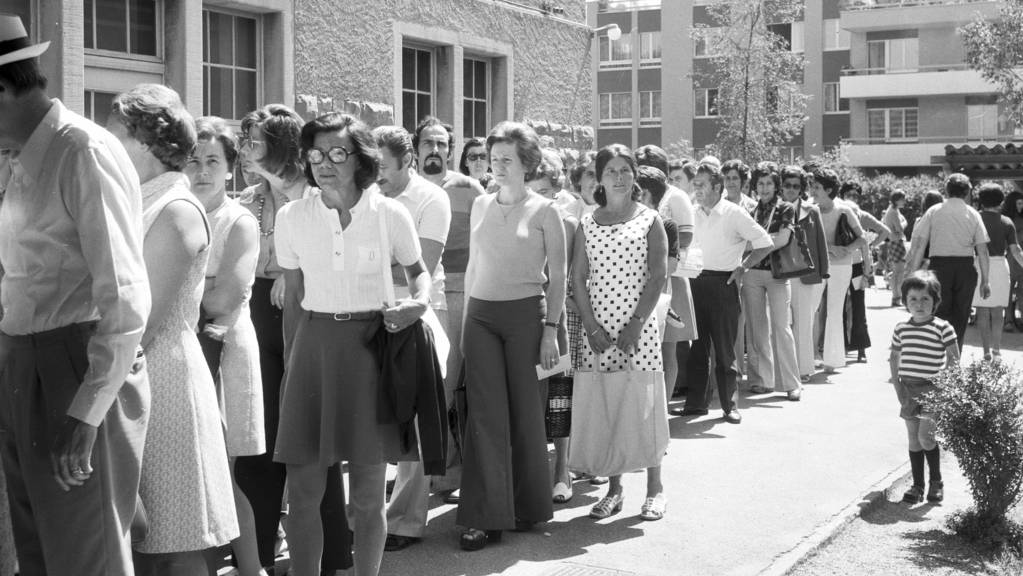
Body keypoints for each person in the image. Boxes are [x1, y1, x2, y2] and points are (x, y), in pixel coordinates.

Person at [0, 18, 150, 574]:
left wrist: (87, 412)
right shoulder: (21, 159)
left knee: (88, 556)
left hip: (77, 364)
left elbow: (126, 296)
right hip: (26, 362)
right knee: (40, 552)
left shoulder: (81, 151)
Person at [273, 112, 432, 576]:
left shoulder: (389, 213)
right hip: (313, 352)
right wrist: (290, 372)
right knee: (303, 495)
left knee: (367, 495)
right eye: (316, 154)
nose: (324, 163)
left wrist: (419, 304)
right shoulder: (292, 216)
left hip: (371, 353)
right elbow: (294, 301)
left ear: (360, 158)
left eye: (337, 153)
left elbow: (418, 272)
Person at [107, 84, 239, 573]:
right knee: (144, 541)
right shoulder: (140, 200)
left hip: (164, 384)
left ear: (143, 141)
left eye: (114, 134)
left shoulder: (176, 208)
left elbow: (141, 320)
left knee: (175, 537)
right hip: (136, 378)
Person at [235, 105, 350, 573]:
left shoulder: (321, 196)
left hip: (308, 317)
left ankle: (332, 557)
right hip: (258, 315)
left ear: (281, 146)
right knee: (258, 437)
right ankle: (257, 554)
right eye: (242, 142)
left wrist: (292, 270)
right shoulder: (250, 197)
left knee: (310, 442)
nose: (244, 151)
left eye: (254, 142)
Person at [457, 121, 566, 551]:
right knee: (484, 416)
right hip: (481, 316)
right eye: (493, 158)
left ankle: (524, 507)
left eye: (506, 159)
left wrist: (550, 331)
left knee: (525, 413)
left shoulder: (546, 211)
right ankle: (484, 516)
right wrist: (467, 321)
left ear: (527, 164)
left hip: (527, 318)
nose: (496, 166)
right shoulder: (482, 205)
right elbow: (472, 267)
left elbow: (557, 277)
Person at [183, 116, 267, 576]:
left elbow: (223, 299)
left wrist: (175, 290)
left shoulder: (237, 220)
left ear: (231, 169)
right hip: (183, 348)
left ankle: (252, 568)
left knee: (221, 475)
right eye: (193, 158)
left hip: (222, 352)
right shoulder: (174, 209)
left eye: (212, 160)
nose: (201, 169)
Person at [572, 146, 669, 520]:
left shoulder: (650, 220)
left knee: (644, 405)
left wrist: (636, 324)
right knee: (608, 405)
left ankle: (655, 489)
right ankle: (614, 489)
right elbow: (578, 278)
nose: (618, 176)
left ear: (634, 176)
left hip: (638, 330)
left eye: (625, 170)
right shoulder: (587, 223)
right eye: (610, 170)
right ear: (599, 178)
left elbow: (658, 276)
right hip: (598, 331)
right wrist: (592, 326)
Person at [373, 125, 452, 552]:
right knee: (375, 419)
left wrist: (361, 264)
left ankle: (405, 521)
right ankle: (365, 518)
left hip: (418, 314)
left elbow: (419, 266)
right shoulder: (368, 195)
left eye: (383, 166)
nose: (376, 173)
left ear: (407, 161)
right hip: (370, 312)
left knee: (414, 422)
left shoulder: (430, 200)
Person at [415, 120, 486, 498]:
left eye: (442, 144)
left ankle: (448, 471)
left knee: (448, 382)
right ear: (416, 148)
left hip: (459, 290)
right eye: (428, 142)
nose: (435, 150)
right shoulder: (405, 189)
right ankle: (431, 468)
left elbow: (486, 240)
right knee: (423, 388)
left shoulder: (468, 188)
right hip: (416, 293)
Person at [678, 162, 773, 423]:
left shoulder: (734, 213)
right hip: (694, 281)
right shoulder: (692, 212)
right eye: (694, 184)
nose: (695, 189)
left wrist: (743, 268)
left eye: (701, 185)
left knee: (724, 350)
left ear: (717, 187)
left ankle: (730, 405)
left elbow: (765, 243)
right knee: (696, 347)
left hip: (724, 284)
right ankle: (696, 404)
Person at [526, 148, 580, 504]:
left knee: (559, 395)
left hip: (555, 320)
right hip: (521, 315)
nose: (544, 199)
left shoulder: (569, 223)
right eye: (537, 190)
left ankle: (562, 470)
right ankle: (529, 474)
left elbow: (570, 278)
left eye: (549, 192)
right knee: (528, 400)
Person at [889, 271, 958, 504]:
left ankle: (936, 482)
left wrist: (945, 386)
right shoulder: (901, 328)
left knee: (926, 438)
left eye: (925, 299)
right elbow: (894, 358)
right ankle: (917, 486)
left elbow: (953, 358)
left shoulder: (943, 327)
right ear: (905, 301)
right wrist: (898, 387)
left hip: (932, 389)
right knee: (913, 438)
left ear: (935, 301)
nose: (919, 304)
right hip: (908, 389)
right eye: (913, 299)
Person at [635, 146, 696, 399]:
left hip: (669, 282)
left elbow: (686, 235)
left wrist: (661, 246)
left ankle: (663, 407)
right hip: (637, 287)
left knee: (667, 350)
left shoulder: (676, 196)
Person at [907, 173, 991, 350]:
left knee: (938, 312)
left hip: (939, 267)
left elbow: (920, 244)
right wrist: (985, 280)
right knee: (961, 315)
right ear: (967, 191)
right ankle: (954, 361)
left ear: (946, 190)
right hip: (965, 268)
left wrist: (913, 273)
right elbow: (982, 250)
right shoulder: (973, 214)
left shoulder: (934, 211)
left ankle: (936, 355)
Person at [741, 163, 802, 401]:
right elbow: (745, 242)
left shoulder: (785, 208)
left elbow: (784, 239)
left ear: (776, 186)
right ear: (755, 186)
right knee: (757, 328)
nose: (764, 188)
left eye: (769, 183)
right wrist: (767, 240)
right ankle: (761, 380)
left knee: (781, 327)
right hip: (752, 273)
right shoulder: (750, 210)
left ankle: (791, 383)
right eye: (760, 183)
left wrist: (758, 243)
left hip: (778, 274)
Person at [807, 167, 866, 373]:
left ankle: (832, 360)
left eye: (817, 187)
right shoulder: (808, 209)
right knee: (811, 308)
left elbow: (862, 237)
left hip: (841, 266)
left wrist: (846, 250)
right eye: (812, 186)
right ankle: (809, 357)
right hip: (817, 265)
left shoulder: (844, 210)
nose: (812, 191)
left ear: (829, 189)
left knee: (834, 311)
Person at [780, 166, 829, 382]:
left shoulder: (812, 210)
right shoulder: (775, 208)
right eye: (787, 185)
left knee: (803, 321)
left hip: (804, 274)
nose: (791, 189)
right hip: (779, 272)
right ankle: (782, 369)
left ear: (802, 188)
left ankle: (803, 368)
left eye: (796, 186)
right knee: (781, 322)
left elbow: (820, 242)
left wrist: (823, 271)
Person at [971, 184, 1023, 360]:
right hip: (1001, 265)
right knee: (998, 310)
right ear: (1001, 201)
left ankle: (985, 351)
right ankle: (997, 349)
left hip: (979, 265)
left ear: (981, 201)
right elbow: (1016, 251)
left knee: (982, 311)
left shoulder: (974, 218)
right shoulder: (1006, 221)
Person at [842, 181, 889, 363]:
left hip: (856, 266)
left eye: (855, 195)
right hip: (845, 265)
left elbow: (885, 232)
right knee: (842, 307)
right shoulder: (843, 212)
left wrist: (870, 245)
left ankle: (860, 347)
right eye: (849, 194)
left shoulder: (858, 214)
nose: (852, 198)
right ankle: (846, 345)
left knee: (857, 307)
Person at [883, 190, 909, 307]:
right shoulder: (893, 212)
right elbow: (900, 228)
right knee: (898, 272)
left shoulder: (893, 210)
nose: (904, 201)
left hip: (895, 242)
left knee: (897, 271)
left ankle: (896, 297)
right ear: (897, 200)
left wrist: (903, 221)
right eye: (902, 199)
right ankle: (896, 297)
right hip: (897, 242)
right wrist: (905, 222)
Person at [1004, 190, 1023, 328]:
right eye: (1019, 203)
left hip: (1019, 255)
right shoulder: (1006, 220)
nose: (1021, 206)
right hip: (1010, 256)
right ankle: (1009, 320)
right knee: (1008, 290)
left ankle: (1019, 318)